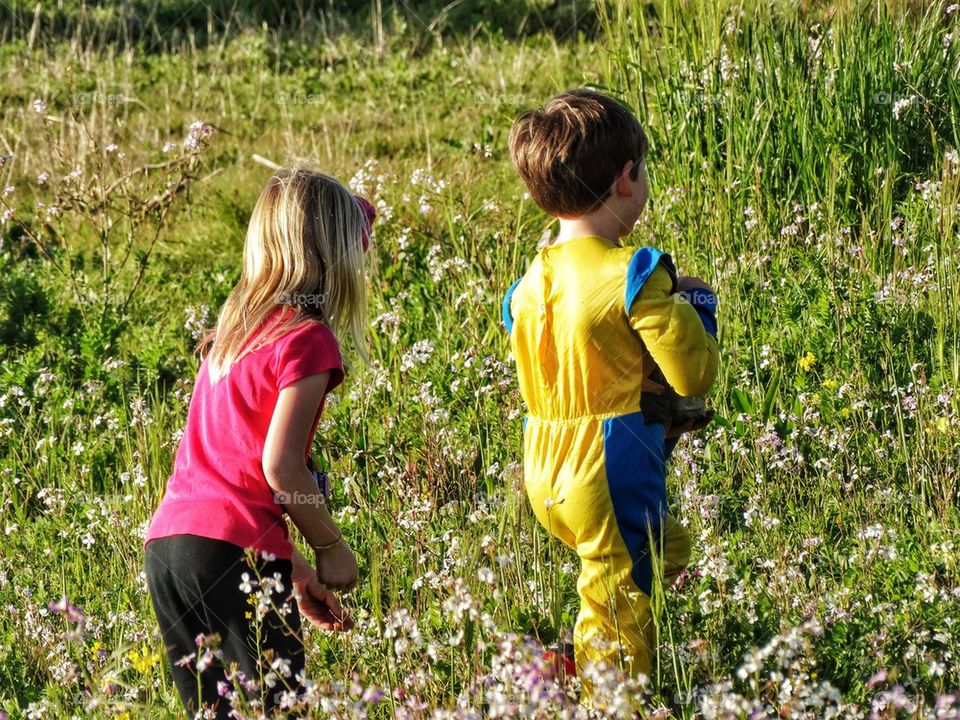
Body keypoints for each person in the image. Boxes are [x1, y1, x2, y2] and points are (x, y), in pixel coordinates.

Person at [502, 89, 720, 698]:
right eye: (643, 171)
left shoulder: (527, 284)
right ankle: (611, 697)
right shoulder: (633, 272)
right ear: (626, 179)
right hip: (609, 460)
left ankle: (576, 657)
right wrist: (694, 310)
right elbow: (692, 375)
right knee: (621, 588)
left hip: (544, 464)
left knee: (654, 551)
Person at [143, 166, 376, 718]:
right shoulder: (308, 340)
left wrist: (294, 573)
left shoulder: (233, 338)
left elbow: (228, 482)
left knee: (216, 711)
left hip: (169, 548)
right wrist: (328, 548)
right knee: (278, 708)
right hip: (229, 553)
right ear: (332, 257)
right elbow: (280, 468)